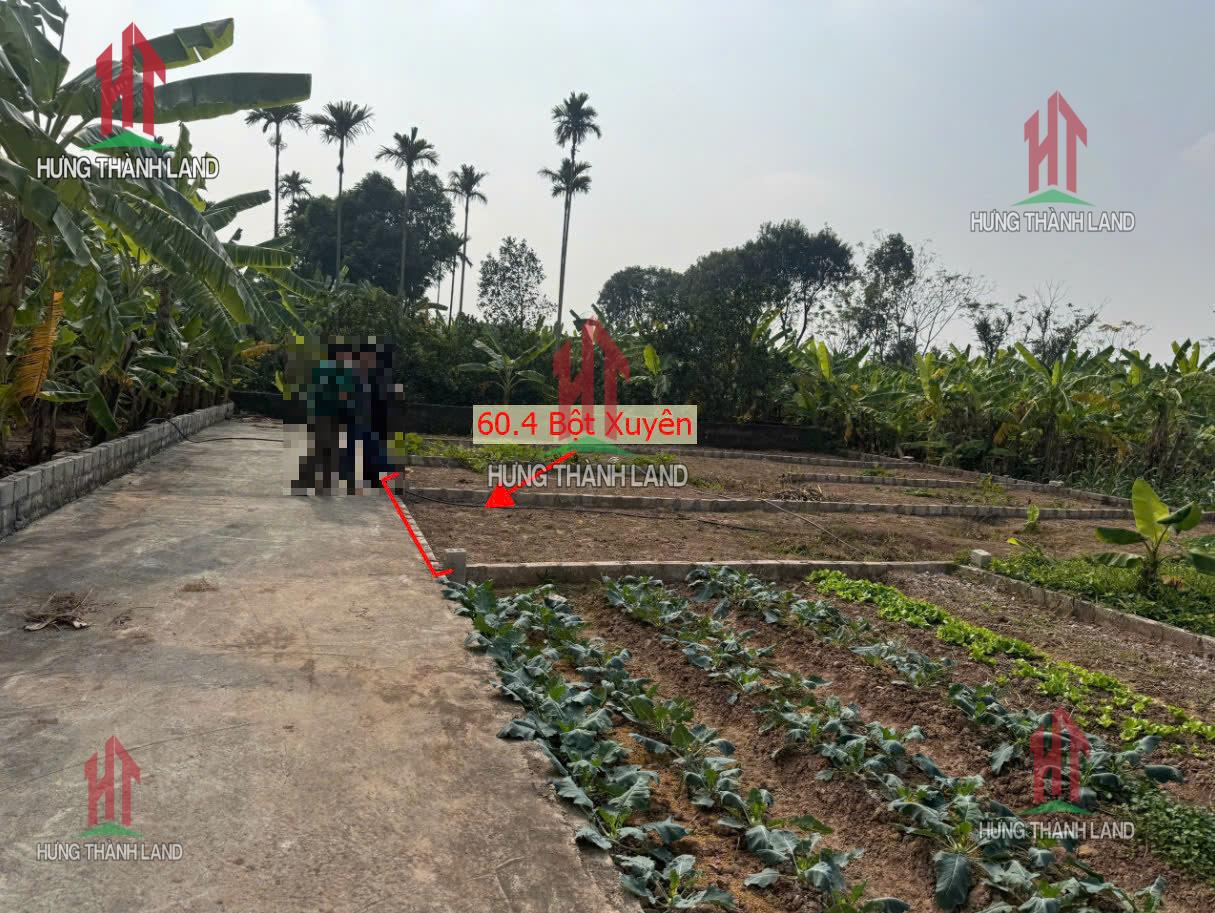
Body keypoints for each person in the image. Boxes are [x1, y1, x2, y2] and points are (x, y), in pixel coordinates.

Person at [293, 343, 356, 494]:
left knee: (313, 449)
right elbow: (345, 395)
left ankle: (303, 485)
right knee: (330, 452)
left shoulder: (318, 368)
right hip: (332, 416)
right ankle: (325, 486)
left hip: (314, 414)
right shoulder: (343, 371)